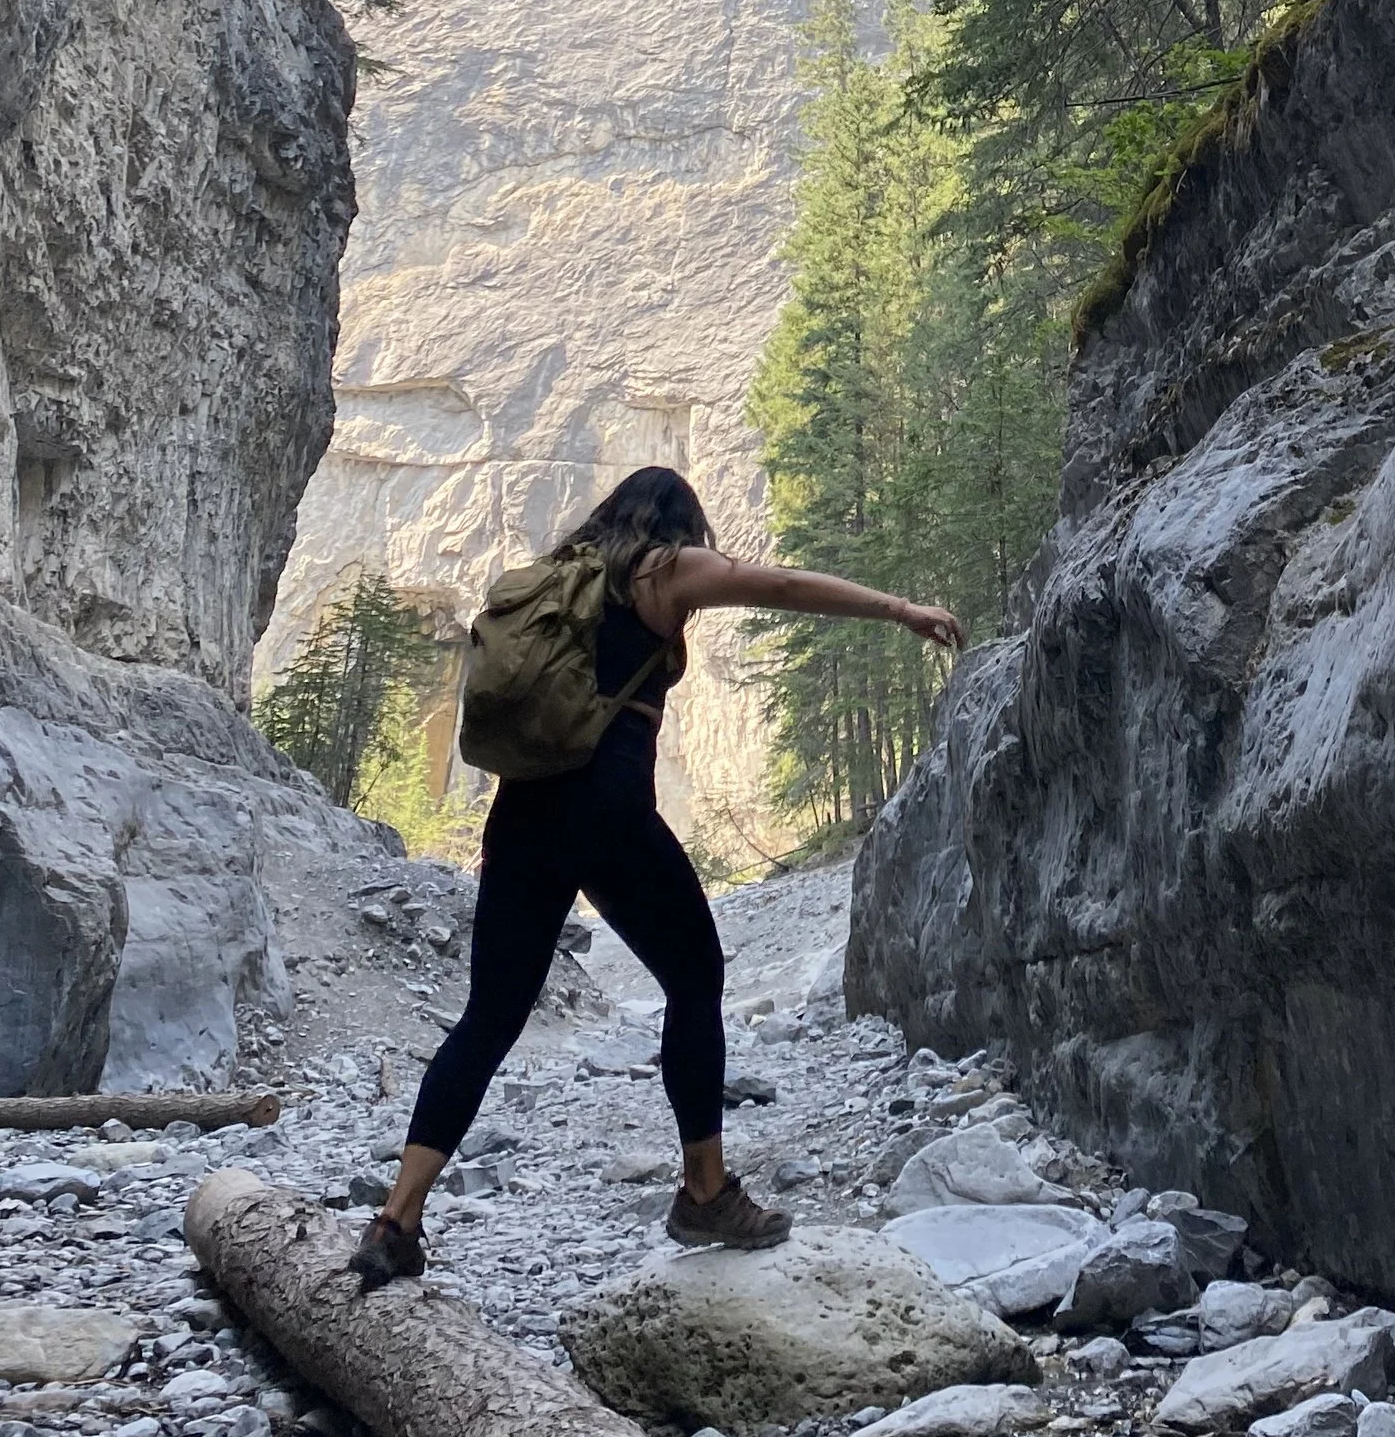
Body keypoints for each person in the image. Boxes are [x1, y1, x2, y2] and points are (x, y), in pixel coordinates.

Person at [350, 465, 965, 1284]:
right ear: (678, 523)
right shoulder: (661, 569)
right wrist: (900, 608)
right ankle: (704, 1190)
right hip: (605, 814)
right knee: (696, 973)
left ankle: (396, 1220)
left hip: (523, 814)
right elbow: (775, 583)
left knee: (489, 1019)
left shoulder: (565, 575)